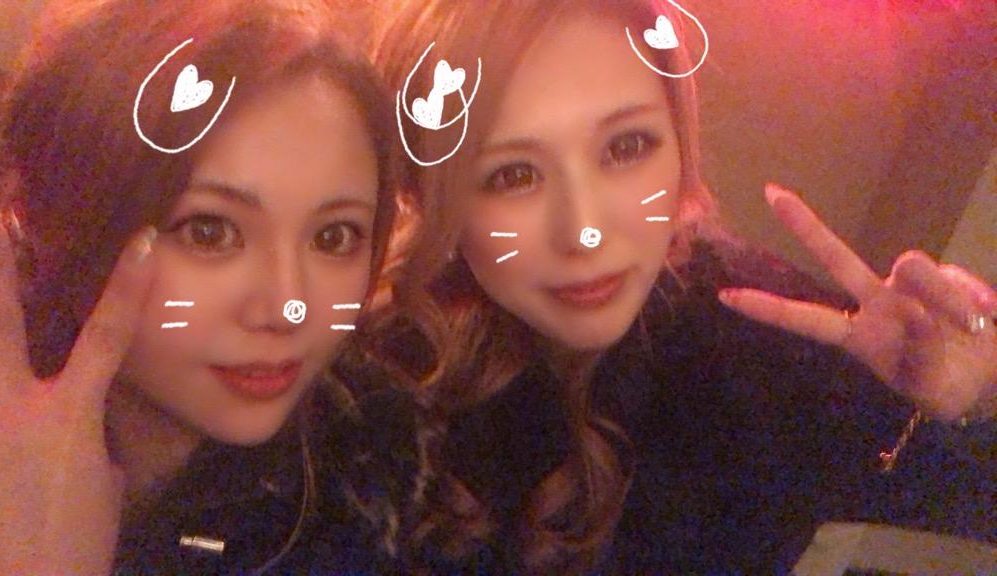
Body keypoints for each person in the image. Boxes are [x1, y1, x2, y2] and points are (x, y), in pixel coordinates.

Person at [370, 0, 997, 573]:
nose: (586, 230)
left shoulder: (759, 341)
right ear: (431, 197)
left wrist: (983, 394)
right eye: (512, 174)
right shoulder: (363, 380)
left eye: (626, 146)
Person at [0, 0, 414, 574]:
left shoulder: (375, 463)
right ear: (52, 217)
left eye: (334, 236)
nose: (288, 307)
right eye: (210, 231)